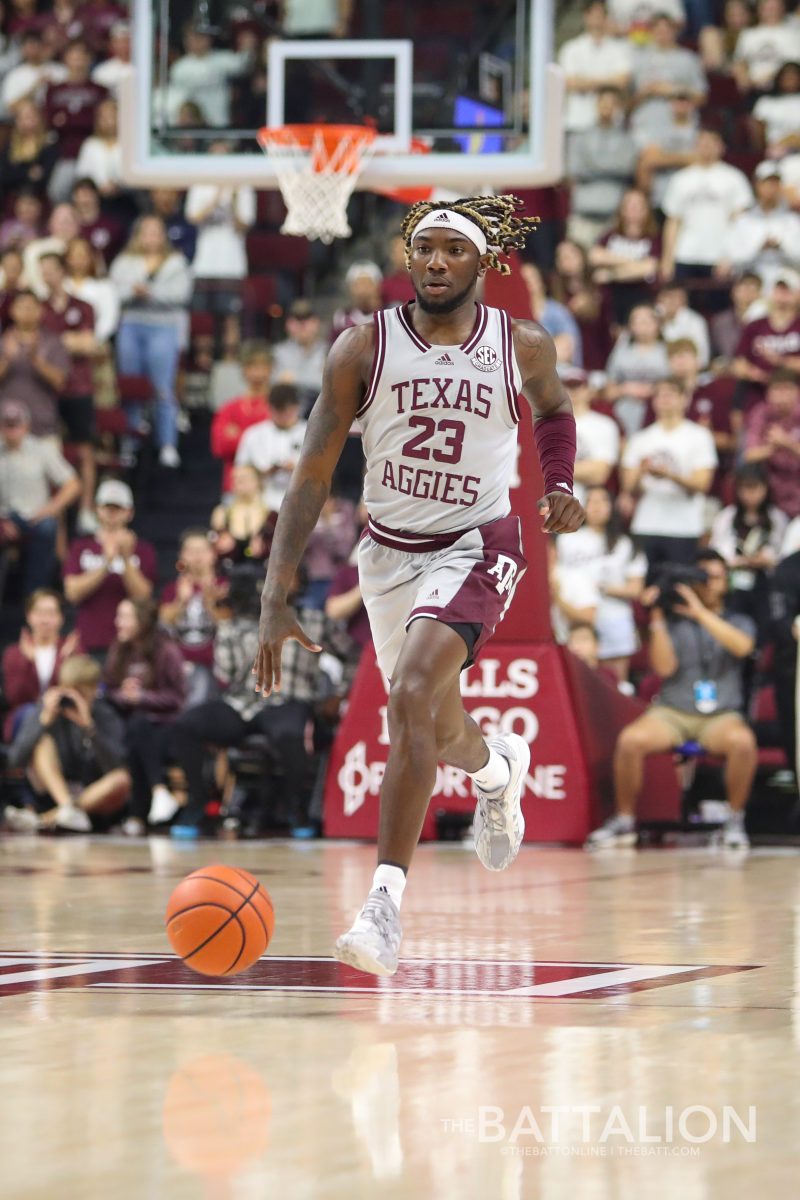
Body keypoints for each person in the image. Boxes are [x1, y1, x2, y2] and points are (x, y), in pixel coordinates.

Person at [253, 195, 584, 976]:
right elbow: (313, 468)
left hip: (478, 543)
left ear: (480, 264)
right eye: (423, 249)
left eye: (452, 250)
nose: (435, 261)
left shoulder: (522, 344)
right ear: (409, 261)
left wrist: (562, 481)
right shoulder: (361, 348)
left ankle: (383, 907)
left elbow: (557, 411)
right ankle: (500, 767)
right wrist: (274, 591)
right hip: (388, 553)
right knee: (434, 726)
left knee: (406, 696)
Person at [586, 549, 757, 850]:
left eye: (716, 577)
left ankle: (734, 819)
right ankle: (624, 820)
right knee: (631, 740)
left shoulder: (739, 619)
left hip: (720, 715)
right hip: (673, 711)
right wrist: (657, 618)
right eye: (703, 577)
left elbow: (743, 648)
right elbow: (664, 668)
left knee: (742, 743)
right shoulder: (674, 621)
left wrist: (701, 613)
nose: (710, 583)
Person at [170, 567, 354, 839]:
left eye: (288, 573)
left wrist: (340, 694)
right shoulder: (241, 621)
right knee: (186, 725)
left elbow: (352, 655)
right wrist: (225, 625)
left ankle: (295, 809)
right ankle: (198, 803)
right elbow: (225, 673)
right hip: (243, 703)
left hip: (289, 701)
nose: (280, 579)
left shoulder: (316, 621)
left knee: (290, 733)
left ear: (301, 582)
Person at [9, 653, 130, 833]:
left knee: (121, 778)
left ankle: (45, 819)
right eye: (70, 691)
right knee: (42, 743)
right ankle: (66, 807)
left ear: (95, 689)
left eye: (81, 693)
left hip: (93, 800)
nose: (75, 699)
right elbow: (14, 761)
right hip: (54, 793)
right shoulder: (48, 710)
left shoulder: (106, 715)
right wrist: (42, 722)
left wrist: (89, 727)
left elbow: (116, 765)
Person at [109, 215, 192, 467]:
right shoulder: (124, 261)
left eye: (156, 232)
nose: (151, 237)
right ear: (138, 235)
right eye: (146, 232)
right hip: (131, 325)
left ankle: (167, 443)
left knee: (163, 387)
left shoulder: (176, 262)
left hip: (163, 327)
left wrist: (151, 293)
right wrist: (131, 293)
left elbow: (181, 295)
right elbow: (113, 292)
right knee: (130, 385)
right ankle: (130, 441)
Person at [103, 598, 186, 834]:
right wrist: (124, 695)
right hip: (131, 725)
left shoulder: (166, 650)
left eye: (125, 617)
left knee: (139, 728)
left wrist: (143, 698)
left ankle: (138, 814)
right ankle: (157, 796)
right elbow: (107, 691)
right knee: (134, 730)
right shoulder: (119, 649)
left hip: (165, 725)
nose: (118, 623)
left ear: (142, 621)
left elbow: (178, 699)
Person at [619, 376, 717, 575]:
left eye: (670, 394)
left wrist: (669, 475)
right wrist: (642, 470)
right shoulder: (641, 438)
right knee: (645, 588)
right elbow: (628, 485)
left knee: (679, 590)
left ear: (684, 399)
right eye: (660, 395)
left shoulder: (699, 436)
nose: (664, 400)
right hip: (647, 524)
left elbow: (703, 483)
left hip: (684, 526)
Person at [555, 485, 646, 682]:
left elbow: (636, 588)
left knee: (614, 682)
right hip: (575, 620)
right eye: (591, 501)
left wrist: (604, 588)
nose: (596, 506)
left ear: (612, 507)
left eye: (603, 501)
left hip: (614, 618)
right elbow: (556, 576)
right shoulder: (567, 540)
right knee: (576, 680)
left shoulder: (625, 544)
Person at [63, 478, 157, 655]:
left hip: (131, 644)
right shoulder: (81, 547)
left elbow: (143, 597)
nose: (112, 513)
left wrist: (127, 559)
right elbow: (72, 593)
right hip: (89, 640)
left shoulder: (144, 550)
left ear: (129, 512)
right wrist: (107, 561)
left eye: (118, 508)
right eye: (107, 507)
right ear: (97, 509)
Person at [39, 251, 98, 531]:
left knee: (85, 449)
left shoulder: (82, 306)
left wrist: (53, 343)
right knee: (51, 451)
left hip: (79, 387)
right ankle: (57, 516)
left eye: (50, 269)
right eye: (42, 270)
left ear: (63, 270)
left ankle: (87, 508)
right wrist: (68, 341)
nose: (46, 275)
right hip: (47, 391)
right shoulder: (38, 308)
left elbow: (88, 345)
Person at [0, 398, 80, 594]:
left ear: (26, 425)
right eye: (7, 424)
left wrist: (51, 508)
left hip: (36, 515)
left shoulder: (41, 449)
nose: (12, 429)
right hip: (4, 516)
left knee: (48, 528)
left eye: (16, 424)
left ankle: (35, 595)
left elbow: (73, 484)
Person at [661, 128, 753, 282]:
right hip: (685, 254)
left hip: (719, 255)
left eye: (711, 142)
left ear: (721, 147)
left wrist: (731, 256)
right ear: (695, 146)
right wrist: (667, 259)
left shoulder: (734, 178)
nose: (706, 146)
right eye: (702, 142)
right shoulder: (681, 179)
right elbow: (673, 221)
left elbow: (740, 223)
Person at [710, 462, 787, 642]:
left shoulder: (776, 519)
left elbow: (784, 557)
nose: (749, 495)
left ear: (766, 488)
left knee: (764, 631)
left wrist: (767, 561)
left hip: (764, 585)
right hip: (733, 583)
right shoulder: (727, 517)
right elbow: (716, 553)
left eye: (755, 488)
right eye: (745, 489)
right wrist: (736, 561)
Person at [1, 588, 79, 740]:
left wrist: (62, 660)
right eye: (40, 613)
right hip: (24, 716)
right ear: (29, 616)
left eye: (51, 613)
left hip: (63, 715)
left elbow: (76, 693)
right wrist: (29, 662)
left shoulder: (72, 650)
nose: (45, 620)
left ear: (61, 617)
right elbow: (15, 697)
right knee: (32, 714)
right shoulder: (14, 653)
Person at [566, 87, 637, 250]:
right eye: (603, 103)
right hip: (583, 214)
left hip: (615, 216)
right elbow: (574, 170)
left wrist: (592, 166)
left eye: (612, 104)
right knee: (579, 264)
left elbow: (626, 168)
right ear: (596, 105)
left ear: (618, 107)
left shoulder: (626, 139)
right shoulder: (580, 137)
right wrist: (611, 169)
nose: (607, 108)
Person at [0, 289, 69, 439]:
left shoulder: (53, 342)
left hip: (42, 428)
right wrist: (6, 358)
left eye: (30, 308)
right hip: (6, 428)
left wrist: (35, 360)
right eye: (21, 307)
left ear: (40, 311)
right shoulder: (3, 341)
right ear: (12, 311)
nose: (26, 312)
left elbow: (60, 382)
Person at [723, 161, 800, 290]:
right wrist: (759, 248)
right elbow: (734, 260)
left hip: (784, 283)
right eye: (767, 183)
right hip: (751, 282)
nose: (771, 188)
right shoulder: (743, 221)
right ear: (757, 185)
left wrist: (781, 248)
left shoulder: (792, 221)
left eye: (775, 184)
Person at [558, 2, 632, 136]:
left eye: (600, 14)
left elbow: (622, 82)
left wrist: (585, 81)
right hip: (578, 121)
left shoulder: (620, 49)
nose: (596, 18)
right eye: (592, 14)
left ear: (606, 17)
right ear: (585, 16)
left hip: (612, 123)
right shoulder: (571, 49)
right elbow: (570, 83)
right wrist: (608, 82)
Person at [210, 341, 272, 494]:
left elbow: (276, 447)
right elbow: (219, 447)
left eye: (263, 366)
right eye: (252, 366)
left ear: (271, 369)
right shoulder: (229, 409)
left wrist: (239, 435)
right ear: (243, 370)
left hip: (271, 489)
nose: (258, 373)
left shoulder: (277, 408)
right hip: (236, 487)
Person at [234, 382, 307, 512]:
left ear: (297, 407)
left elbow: (326, 469)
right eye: (278, 411)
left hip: (302, 501)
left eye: (287, 411)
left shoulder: (311, 433)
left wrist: (298, 469)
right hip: (262, 501)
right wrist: (261, 473)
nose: (283, 416)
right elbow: (240, 471)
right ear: (270, 408)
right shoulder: (254, 435)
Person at [604, 303, 670, 436]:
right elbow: (608, 390)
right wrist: (625, 389)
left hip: (661, 408)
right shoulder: (621, 351)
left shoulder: (668, 351)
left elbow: (679, 384)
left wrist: (652, 390)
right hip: (625, 408)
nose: (642, 326)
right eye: (637, 322)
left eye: (646, 321)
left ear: (657, 324)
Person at [743, 368, 800, 517]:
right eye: (777, 390)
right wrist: (772, 447)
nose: (782, 396)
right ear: (768, 393)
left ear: (797, 392)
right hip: (771, 500)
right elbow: (750, 455)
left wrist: (787, 442)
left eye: (787, 389)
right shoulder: (760, 414)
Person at [272, 299, 328, 414]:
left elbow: (331, 387)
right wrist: (317, 377)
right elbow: (274, 386)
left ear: (316, 323)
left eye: (307, 319)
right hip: (288, 413)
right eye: (297, 320)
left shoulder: (329, 351)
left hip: (321, 413)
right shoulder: (278, 352)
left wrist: (292, 380)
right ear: (288, 324)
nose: (302, 325)